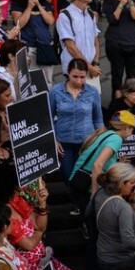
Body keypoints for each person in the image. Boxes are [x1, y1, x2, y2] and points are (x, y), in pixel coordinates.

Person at [50, 59, 103, 192]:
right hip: (64, 141)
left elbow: (98, 118)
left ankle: (81, 204)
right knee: (67, 174)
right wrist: (54, 139)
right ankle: (75, 201)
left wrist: (101, 141)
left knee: (84, 175)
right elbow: (48, 117)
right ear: (68, 74)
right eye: (75, 76)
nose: (79, 81)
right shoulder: (56, 91)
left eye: (82, 77)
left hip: (87, 142)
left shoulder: (93, 91)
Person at [70, 111, 135, 212]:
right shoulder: (116, 139)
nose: (132, 133)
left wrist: (118, 161)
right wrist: (95, 193)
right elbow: (97, 164)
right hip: (86, 185)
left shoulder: (106, 133)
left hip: (78, 181)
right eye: (132, 129)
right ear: (126, 127)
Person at [91, 162, 135, 270]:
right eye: (132, 182)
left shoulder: (100, 193)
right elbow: (129, 241)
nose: (134, 186)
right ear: (120, 184)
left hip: (102, 257)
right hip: (122, 263)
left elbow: (87, 213)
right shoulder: (123, 207)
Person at [57, 0, 101, 91]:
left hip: (92, 70)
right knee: (77, 104)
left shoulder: (90, 14)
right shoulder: (65, 16)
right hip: (75, 71)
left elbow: (95, 40)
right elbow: (70, 47)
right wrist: (89, 67)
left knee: (93, 103)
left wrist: (95, 63)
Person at [9, 0, 56, 86]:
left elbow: (50, 20)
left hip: (45, 46)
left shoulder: (44, 2)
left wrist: (38, 5)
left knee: (48, 81)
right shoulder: (17, 3)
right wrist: (29, 7)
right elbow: (19, 24)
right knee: (32, 80)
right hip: (29, 46)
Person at [102, 0, 135, 97]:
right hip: (115, 43)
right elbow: (113, 19)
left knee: (133, 75)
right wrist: (122, 3)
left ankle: (132, 99)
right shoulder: (108, 0)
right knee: (117, 75)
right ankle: (117, 103)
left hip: (133, 42)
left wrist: (130, 1)